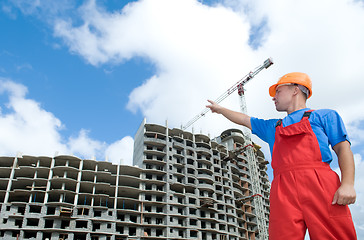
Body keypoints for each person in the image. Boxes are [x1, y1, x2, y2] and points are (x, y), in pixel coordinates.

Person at [206, 72, 357, 240]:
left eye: (278, 91)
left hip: (320, 183)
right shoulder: (273, 127)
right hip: (282, 189)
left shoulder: (325, 116)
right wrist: (220, 110)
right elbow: (244, 119)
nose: (274, 97)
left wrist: (348, 184)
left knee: (334, 235)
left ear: (295, 89)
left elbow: (343, 149)